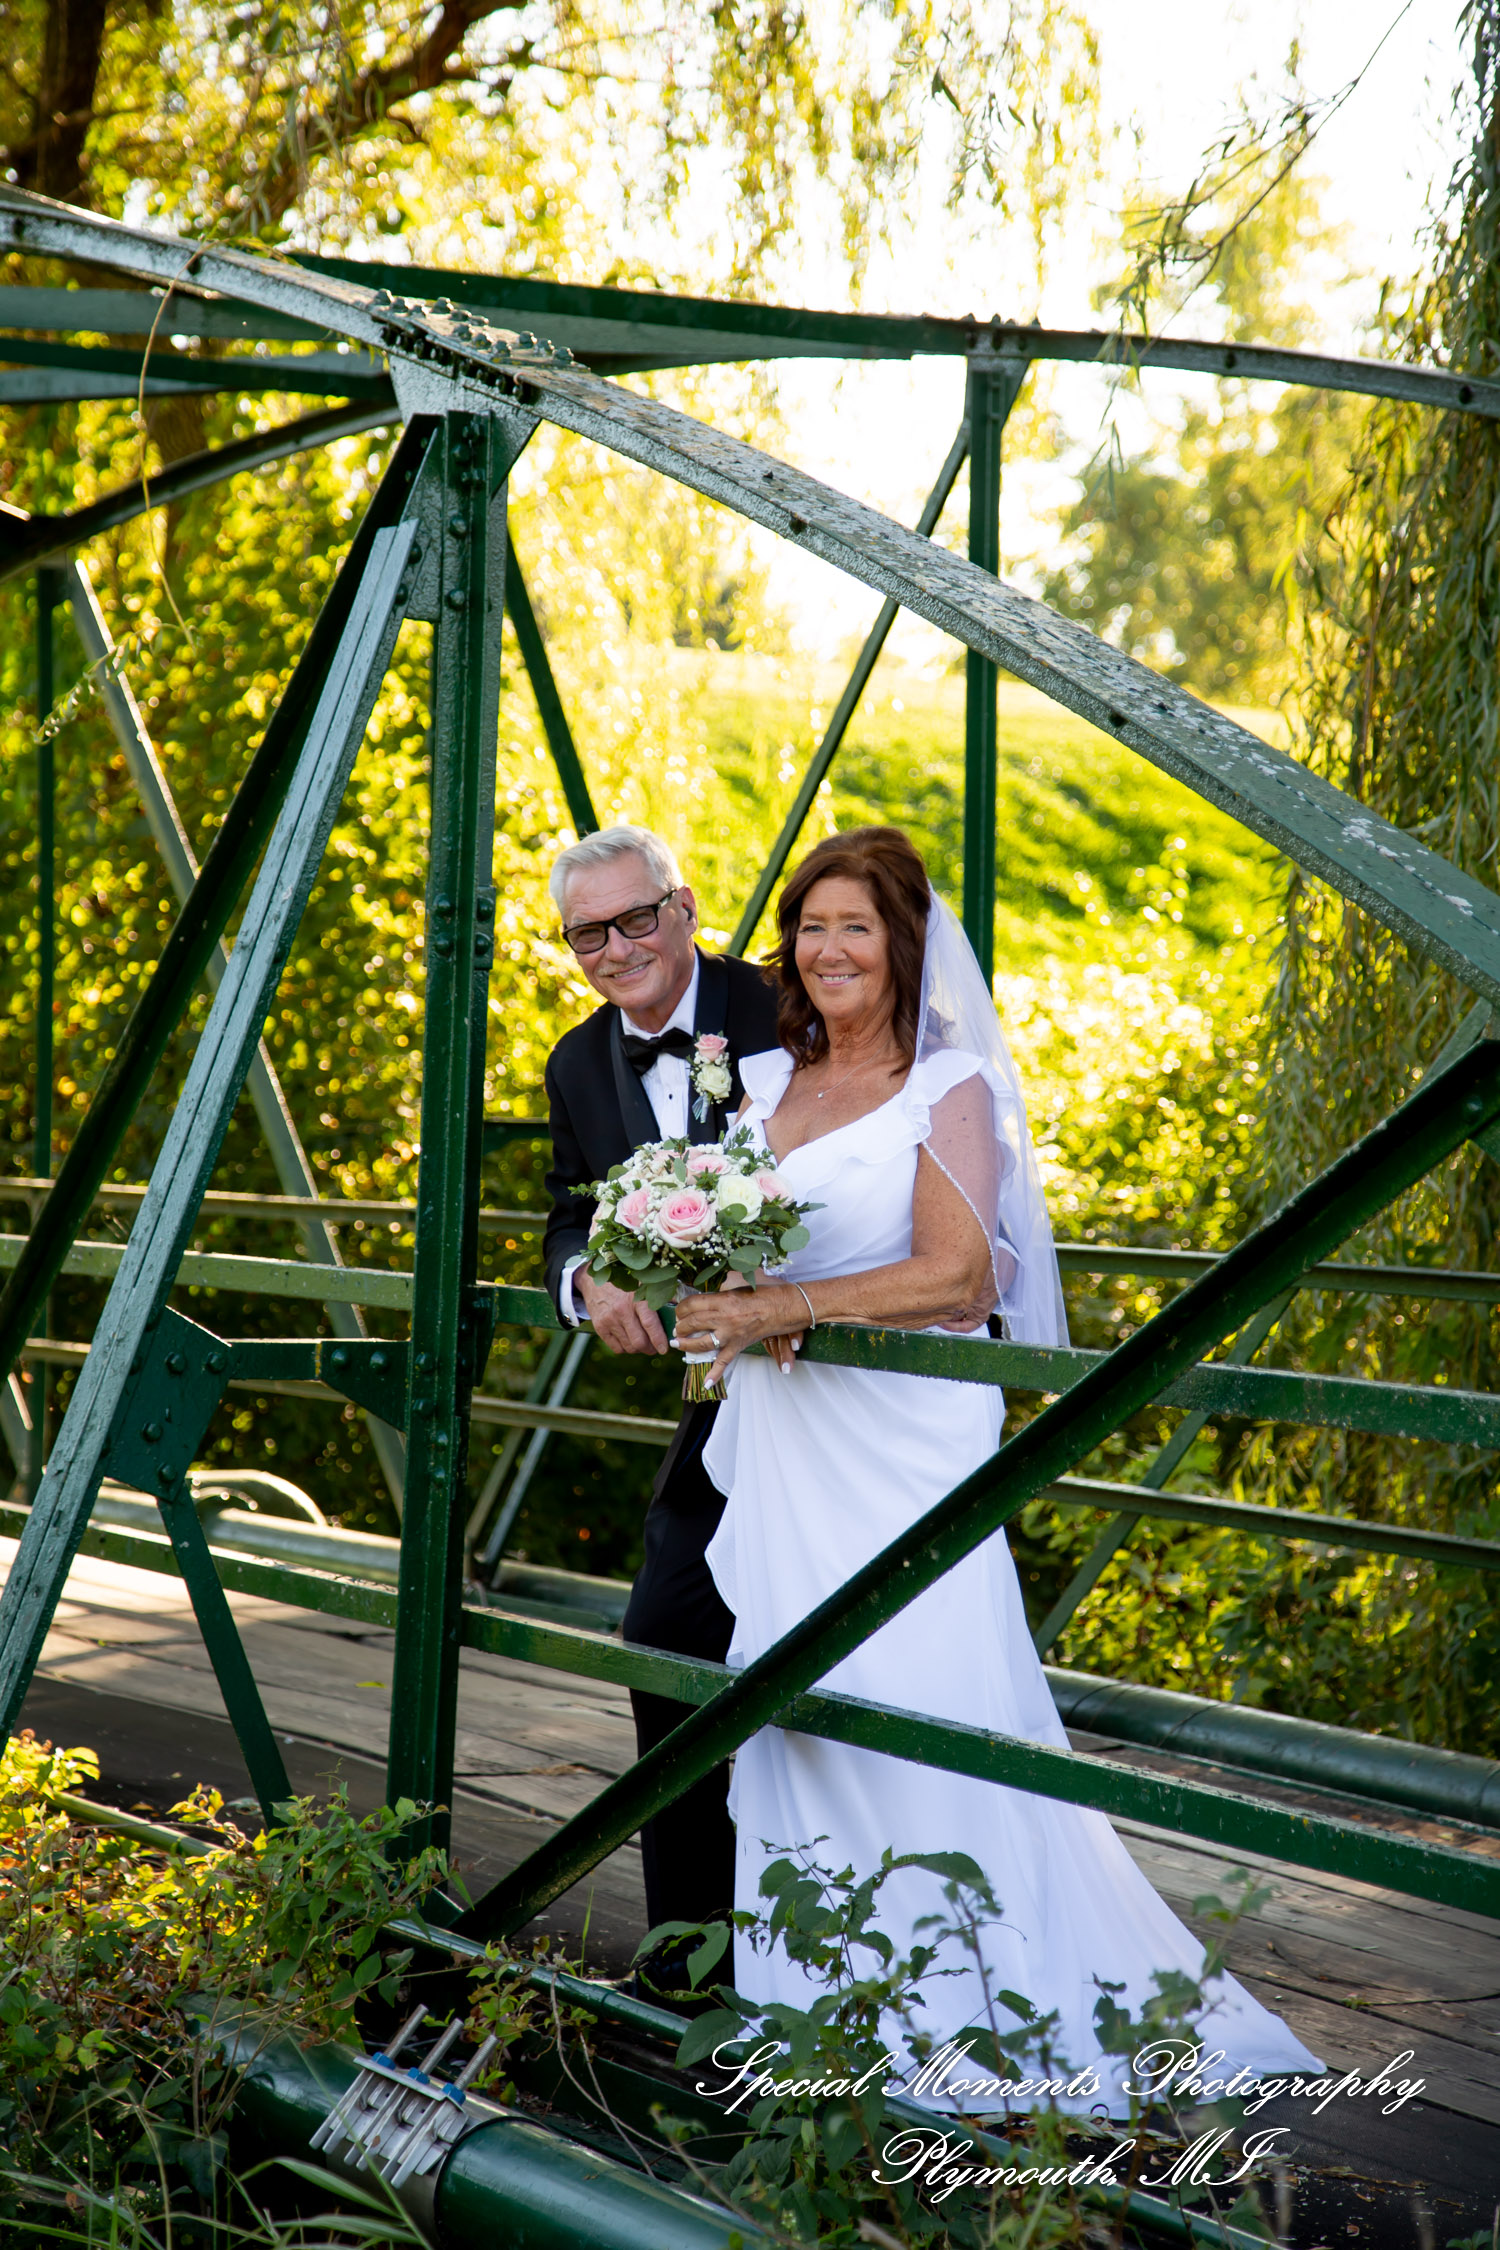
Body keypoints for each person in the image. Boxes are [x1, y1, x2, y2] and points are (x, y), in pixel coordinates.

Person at [674, 826, 1321, 2108]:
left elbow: (962, 1275)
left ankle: (956, 2005)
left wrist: (785, 1308)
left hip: (901, 1446)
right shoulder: (767, 1080)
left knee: (917, 1688)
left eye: (856, 926)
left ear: (904, 945)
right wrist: (710, 1275)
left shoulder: (947, 1085)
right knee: (799, 1702)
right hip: (796, 1440)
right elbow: (739, 1242)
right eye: (811, 927)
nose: (828, 949)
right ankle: (818, 2013)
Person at [542, 824, 780, 1947]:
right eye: (588, 934)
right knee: (666, 1637)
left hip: (833, 1375)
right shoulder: (578, 1063)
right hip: (715, 1402)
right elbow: (568, 1209)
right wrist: (587, 1277)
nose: (617, 948)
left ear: (683, 907)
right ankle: (690, 1963)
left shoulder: (785, 1006)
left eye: (637, 918)